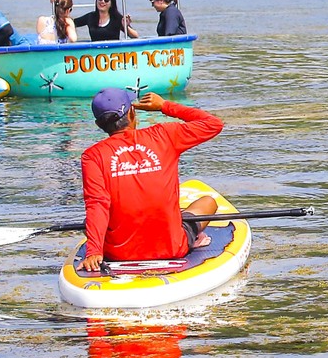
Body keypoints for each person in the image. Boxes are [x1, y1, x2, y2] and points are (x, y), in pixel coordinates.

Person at [77, 88, 223, 277]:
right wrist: (165, 106)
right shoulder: (164, 134)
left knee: (88, 221)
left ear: (98, 124)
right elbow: (213, 124)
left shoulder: (92, 156)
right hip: (172, 248)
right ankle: (191, 235)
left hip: (118, 254)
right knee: (208, 203)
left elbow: (97, 204)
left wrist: (94, 252)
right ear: (132, 112)